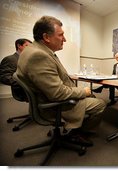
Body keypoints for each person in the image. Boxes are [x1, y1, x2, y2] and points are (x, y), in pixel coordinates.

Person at [16, 16, 106, 146]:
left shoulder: (32, 50)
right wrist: (82, 92)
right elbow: (57, 94)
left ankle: (74, 126)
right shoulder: (38, 55)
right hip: (55, 105)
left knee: (90, 94)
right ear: (46, 37)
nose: (65, 39)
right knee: (100, 104)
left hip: (47, 99)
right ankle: (75, 132)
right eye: (61, 35)